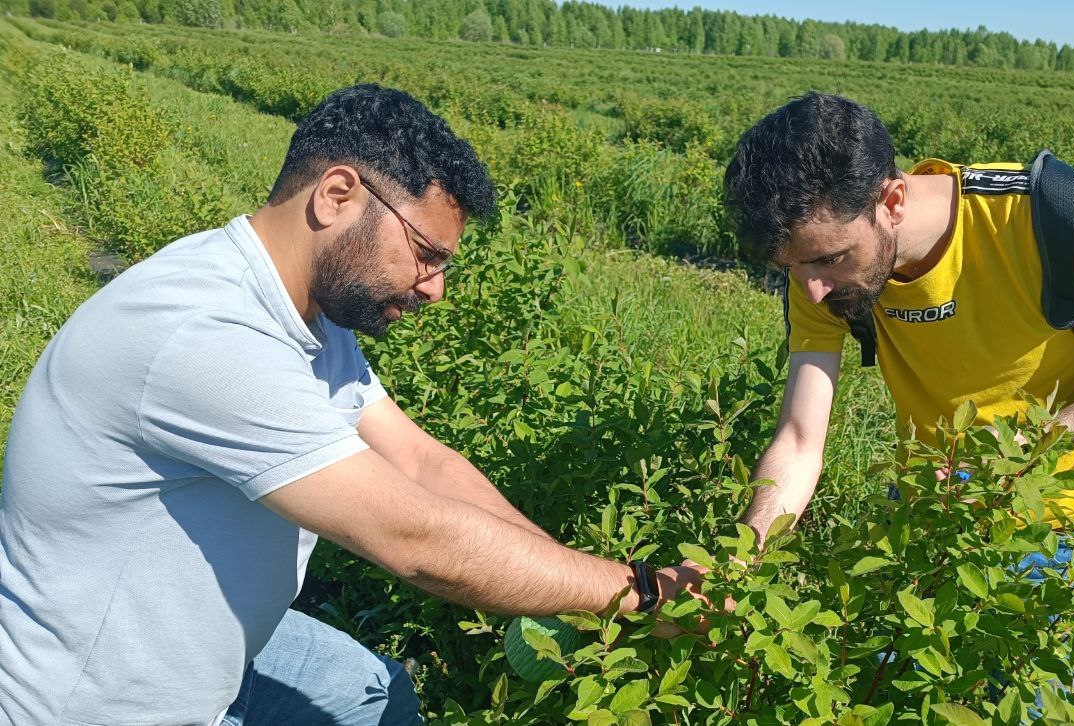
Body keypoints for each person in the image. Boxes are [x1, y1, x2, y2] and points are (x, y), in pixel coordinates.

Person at [0, 84, 697, 726]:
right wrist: (642, 596)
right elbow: (417, 540)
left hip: (219, 650)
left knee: (372, 693)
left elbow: (420, 462)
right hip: (98, 699)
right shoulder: (204, 335)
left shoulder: (306, 316)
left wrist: (568, 575)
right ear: (337, 195)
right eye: (426, 253)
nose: (434, 288)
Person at [722, 92, 1074, 572]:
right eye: (792, 266)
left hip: (1053, 529)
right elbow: (800, 440)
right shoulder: (818, 273)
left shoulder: (1051, 218)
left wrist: (1034, 442)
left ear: (892, 201)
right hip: (922, 511)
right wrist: (738, 565)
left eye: (830, 259)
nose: (813, 291)